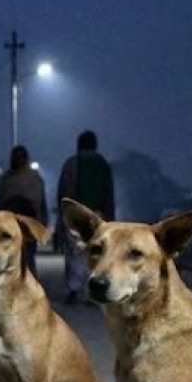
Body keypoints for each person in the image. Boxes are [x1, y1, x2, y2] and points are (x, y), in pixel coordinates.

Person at [56, 130, 115, 304]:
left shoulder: (71, 163)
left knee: (75, 253)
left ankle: (74, 289)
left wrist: (63, 214)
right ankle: (92, 290)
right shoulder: (103, 165)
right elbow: (109, 194)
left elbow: (63, 192)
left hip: (76, 216)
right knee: (95, 253)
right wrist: (110, 218)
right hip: (98, 216)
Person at [0, 145, 48, 275]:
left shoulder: (7, 180)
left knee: (14, 259)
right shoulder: (35, 179)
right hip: (24, 225)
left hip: (15, 225)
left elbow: (0, 204)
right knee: (26, 259)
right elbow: (41, 205)